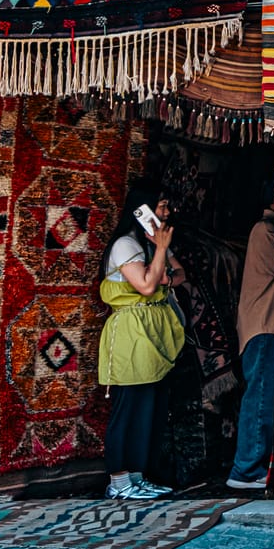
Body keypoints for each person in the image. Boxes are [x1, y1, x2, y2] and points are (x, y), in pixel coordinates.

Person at [99, 183, 186, 501]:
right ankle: (118, 481)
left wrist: (161, 261)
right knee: (128, 407)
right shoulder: (125, 245)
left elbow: (179, 275)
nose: (166, 213)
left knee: (148, 408)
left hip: (153, 332)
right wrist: (161, 252)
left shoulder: (147, 247)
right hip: (130, 333)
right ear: (142, 211)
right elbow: (149, 285)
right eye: (161, 207)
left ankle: (137, 476)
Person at [227, 206, 274, 491]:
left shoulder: (267, 231)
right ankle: (247, 469)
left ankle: (252, 466)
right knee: (259, 398)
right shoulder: (265, 232)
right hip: (261, 326)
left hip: (262, 324)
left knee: (260, 396)